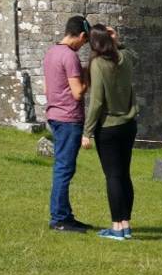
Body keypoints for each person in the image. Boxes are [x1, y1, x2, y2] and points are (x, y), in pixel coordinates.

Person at [81, 22, 138, 241]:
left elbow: (96, 101)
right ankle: (126, 225)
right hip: (129, 125)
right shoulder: (124, 58)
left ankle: (116, 227)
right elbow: (136, 57)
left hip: (109, 127)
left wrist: (87, 132)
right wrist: (118, 40)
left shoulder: (97, 64)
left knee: (113, 176)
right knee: (124, 174)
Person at [43, 14, 93, 231]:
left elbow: (47, 89)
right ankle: (59, 218)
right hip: (69, 118)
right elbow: (77, 92)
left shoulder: (51, 53)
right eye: (85, 41)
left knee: (62, 167)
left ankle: (65, 215)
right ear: (81, 35)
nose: (84, 45)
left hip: (54, 115)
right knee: (64, 169)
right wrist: (89, 77)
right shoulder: (70, 57)